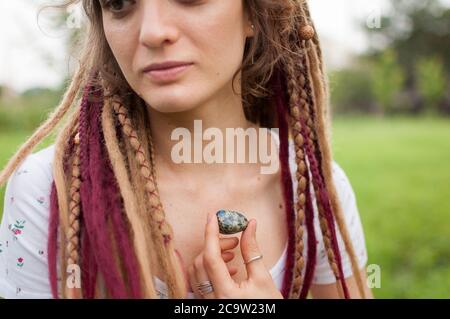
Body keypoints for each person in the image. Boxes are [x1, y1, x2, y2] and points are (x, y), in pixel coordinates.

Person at [0, 0, 372, 299]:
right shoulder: (51, 191)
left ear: (255, 13)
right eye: (120, 3)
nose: (153, 32)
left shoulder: (314, 189)